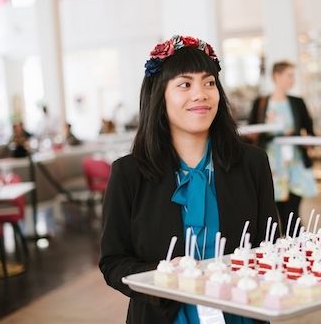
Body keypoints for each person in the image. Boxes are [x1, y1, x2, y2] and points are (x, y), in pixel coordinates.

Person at [99, 35, 278, 324]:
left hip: (241, 314)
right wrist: (162, 276)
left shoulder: (252, 164)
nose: (201, 94)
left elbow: (269, 245)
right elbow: (113, 262)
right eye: (185, 84)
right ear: (160, 95)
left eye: (209, 83)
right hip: (163, 316)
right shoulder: (129, 174)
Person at [248, 61, 318, 226]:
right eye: (289, 75)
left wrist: (309, 142)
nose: (292, 80)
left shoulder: (297, 102)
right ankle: (289, 244)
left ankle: (295, 243)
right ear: (276, 76)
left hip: (294, 161)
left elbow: (310, 130)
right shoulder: (261, 103)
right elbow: (251, 130)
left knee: (293, 208)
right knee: (276, 209)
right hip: (272, 162)